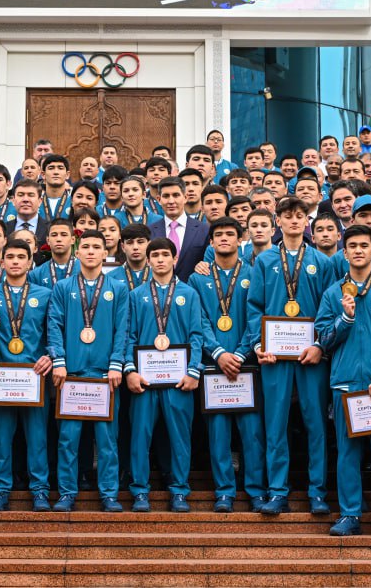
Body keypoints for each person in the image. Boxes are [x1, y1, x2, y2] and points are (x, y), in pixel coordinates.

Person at [315, 224, 371, 537]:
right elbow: (323, 339)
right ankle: (350, 514)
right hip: (346, 384)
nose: (358, 250)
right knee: (347, 454)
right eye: (352, 245)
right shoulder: (333, 293)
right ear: (344, 253)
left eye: (364, 245)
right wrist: (346, 318)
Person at [247, 196, 332, 516]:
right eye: (288, 216)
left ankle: (317, 491)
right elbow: (254, 307)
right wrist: (258, 344)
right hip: (274, 355)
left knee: (315, 424)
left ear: (306, 221)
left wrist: (320, 345)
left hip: (311, 356)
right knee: (275, 424)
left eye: (299, 216)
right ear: (278, 221)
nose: (294, 220)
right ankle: (277, 490)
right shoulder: (265, 260)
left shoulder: (321, 262)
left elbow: (328, 309)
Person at [48, 231, 131, 512]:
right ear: (77, 252)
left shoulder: (118, 288)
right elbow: (54, 325)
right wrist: (59, 361)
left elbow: (123, 328)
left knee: (107, 440)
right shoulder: (63, 287)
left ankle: (109, 494)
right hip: (71, 374)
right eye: (86, 247)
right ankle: (66, 492)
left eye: (97, 247)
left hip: (105, 375)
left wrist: (117, 363)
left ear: (106, 253)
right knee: (67, 440)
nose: (92, 251)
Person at [188, 218, 266, 512]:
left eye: (230, 234)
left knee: (252, 434)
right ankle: (224, 491)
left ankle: (255, 490)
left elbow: (256, 317)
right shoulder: (198, 278)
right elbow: (198, 321)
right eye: (218, 235)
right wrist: (219, 353)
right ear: (210, 242)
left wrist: (242, 353)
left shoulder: (254, 273)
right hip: (213, 366)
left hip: (246, 365)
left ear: (240, 239)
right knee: (218, 435)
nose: (223, 238)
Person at [124, 236, 203, 513]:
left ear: (175, 258)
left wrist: (193, 371)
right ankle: (139, 490)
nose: (160, 260)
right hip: (144, 380)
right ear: (148, 261)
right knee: (140, 436)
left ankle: (179, 490)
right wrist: (130, 370)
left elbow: (196, 335)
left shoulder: (189, 294)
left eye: (164, 255)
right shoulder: (136, 295)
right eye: (155, 255)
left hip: (179, 380)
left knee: (180, 437)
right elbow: (129, 335)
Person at [0, 238, 54, 511]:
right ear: (2, 261)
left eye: (21, 257)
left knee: (37, 437)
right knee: (1, 437)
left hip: (35, 376)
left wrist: (50, 355)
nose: (16, 262)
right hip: (0, 377)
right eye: (10, 257)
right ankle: (0, 489)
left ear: (30, 262)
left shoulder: (45, 294)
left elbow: (53, 331)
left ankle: (40, 490)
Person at [149, 178, 209, 280]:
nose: (171, 201)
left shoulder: (204, 230)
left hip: (192, 287)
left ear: (185, 197)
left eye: (176, 195)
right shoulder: (149, 232)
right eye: (166, 196)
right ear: (159, 199)